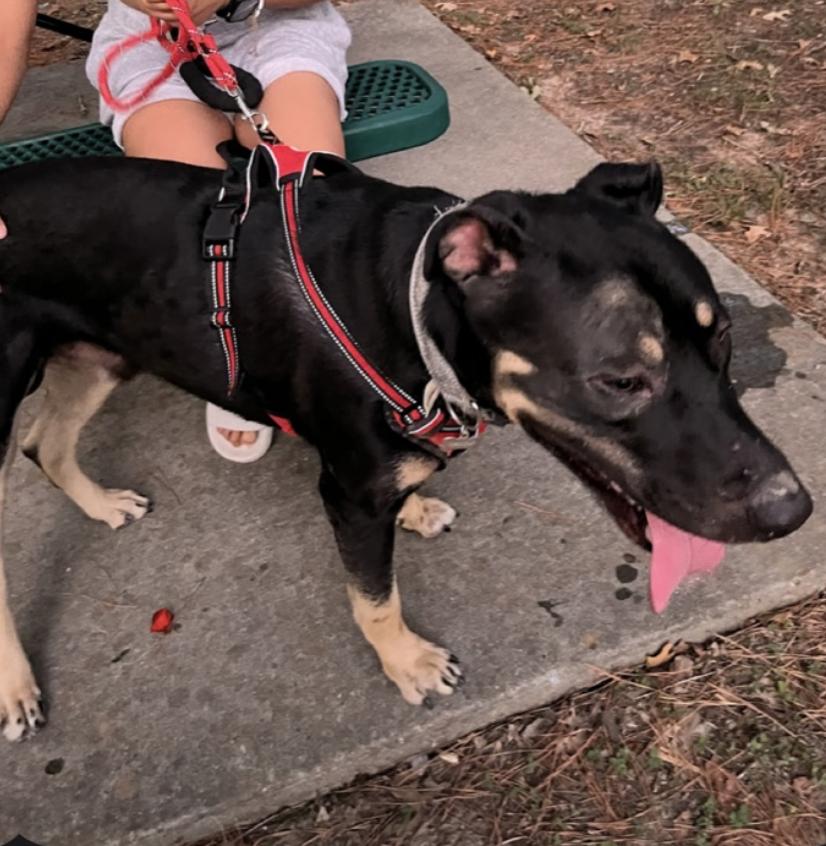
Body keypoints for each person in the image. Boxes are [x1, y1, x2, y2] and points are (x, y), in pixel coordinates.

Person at [0, 0, 350, 461]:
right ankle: (243, 362)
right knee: (192, 233)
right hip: (147, 47)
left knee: (315, 221)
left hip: (276, 26)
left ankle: (326, 364)